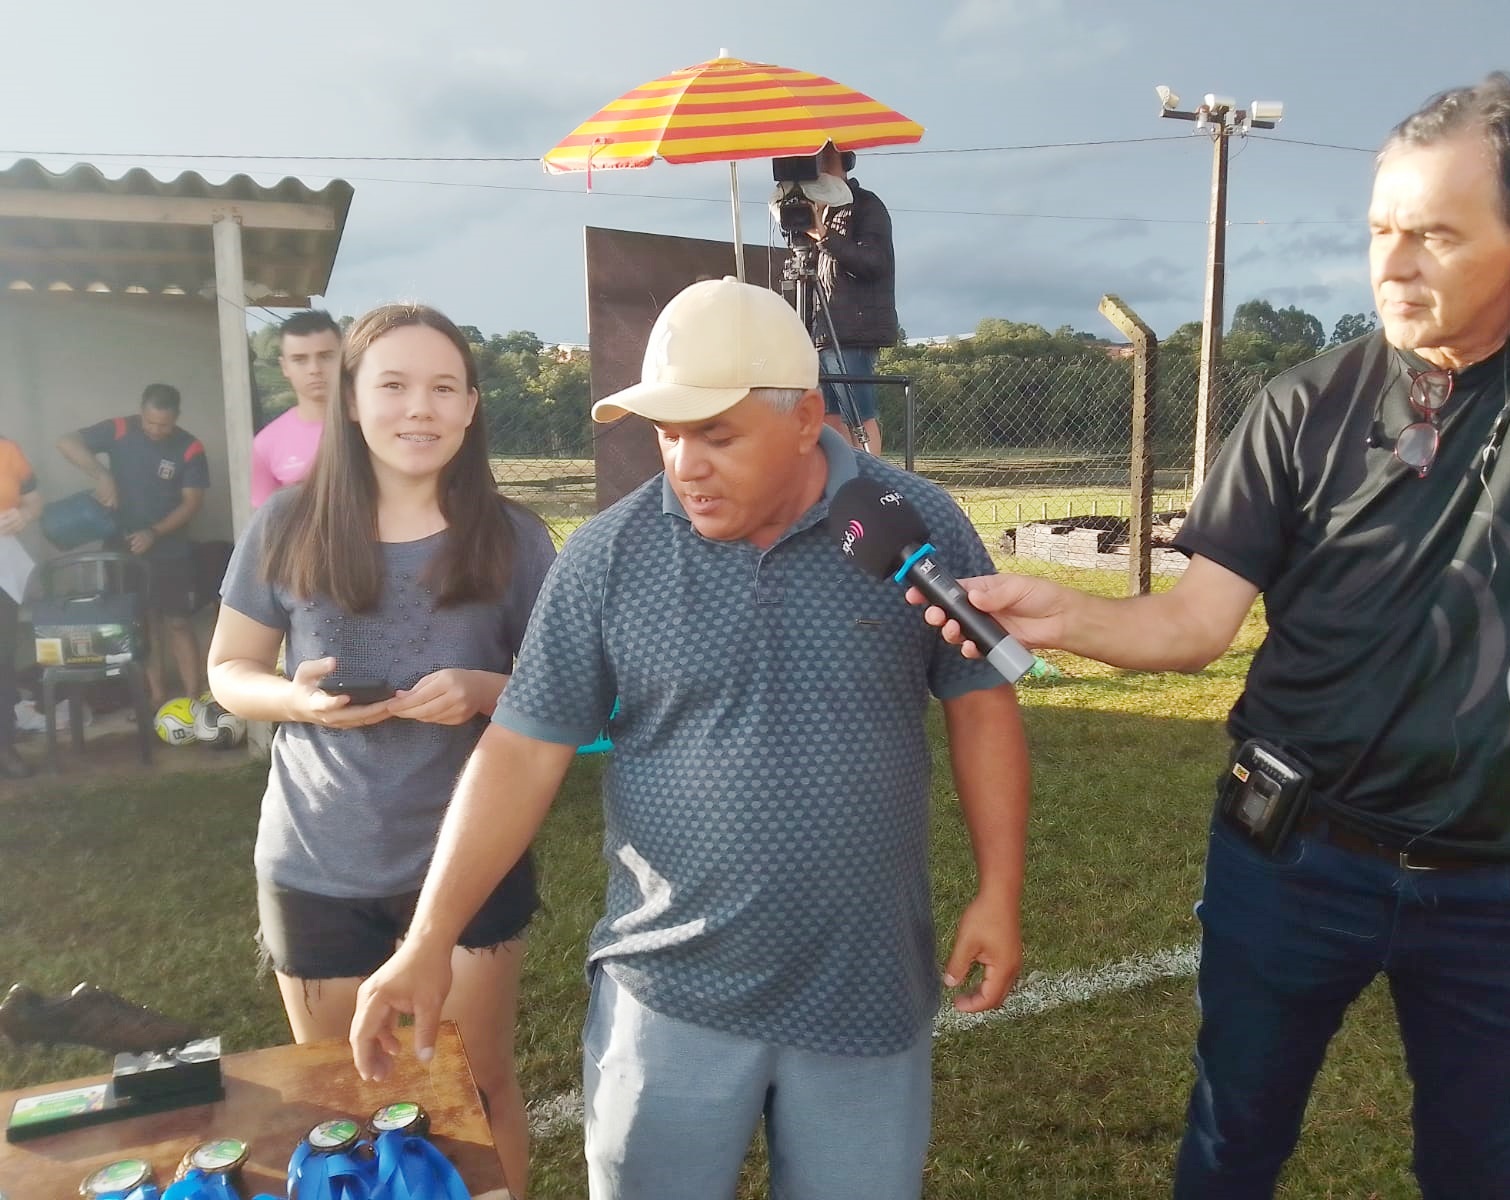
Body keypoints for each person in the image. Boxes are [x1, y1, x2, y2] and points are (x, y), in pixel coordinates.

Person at [919, 77, 1510, 1199]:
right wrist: (1068, 614)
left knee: (1486, 1170)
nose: (1393, 266)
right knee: (1232, 1145)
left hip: (1504, 886)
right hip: (1294, 859)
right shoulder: (1301, 404)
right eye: (1380, 229)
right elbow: (1197, 622)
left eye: (1436, 234)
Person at [349, 278, 1029, 1200]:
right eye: (666, 434)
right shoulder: (607, 556)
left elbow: (981, 703)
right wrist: (430, 938)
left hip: (867, 986)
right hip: (666, 996)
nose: (685, 465)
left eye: (716, 435)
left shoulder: (915, 524)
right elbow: (519, 750)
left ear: (806, 419)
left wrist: (999, 889)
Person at [207, 303, 555, 1198]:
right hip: (316, 863)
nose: (419, 408)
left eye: (443, 387)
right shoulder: (287, 524)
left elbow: (569, 694)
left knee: (473, 1090)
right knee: (348, 1103)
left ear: (471, 406)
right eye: (393, 385)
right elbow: (229, 670)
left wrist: (485, 690)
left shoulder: (514, 538)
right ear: (353, 400)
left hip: (468, 861)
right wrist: (295, 701)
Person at [57, 384, 208, 704]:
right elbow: (66, 441)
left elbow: (192, 502)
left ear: (176, 417)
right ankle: (157, 697)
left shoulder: (189, 447)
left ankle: (194, 699)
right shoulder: (120, 429)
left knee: (178, 622)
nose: (155, 430)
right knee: (142, 623)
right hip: (123, 546)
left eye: (164, 425)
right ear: (141, 412)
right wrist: (101, 475)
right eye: (150, 422)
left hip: (170, 548)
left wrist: (154, 532)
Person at [808, 141, 898, 456]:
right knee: (829, 418)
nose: (819, 164)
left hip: (852, 329)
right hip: (822, 329)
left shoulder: (865, 205)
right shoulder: (818, 207)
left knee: (858, 416)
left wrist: (826, 237)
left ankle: (867, 477)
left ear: (845, 160)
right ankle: (841, 475)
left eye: (825, 157)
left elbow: (874, 262)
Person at [251, 309, 341, 507]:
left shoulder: (376, 426)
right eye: (300, 360)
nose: (314, 369)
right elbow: (270, 521)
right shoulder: (264, 446)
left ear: (343, 357)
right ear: (284, 367)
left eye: (325, 356)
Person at [0, 435, 42, 780]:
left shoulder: (8, 450)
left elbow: (34, 500)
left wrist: (24, 514)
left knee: (2, 659)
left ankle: (4, 744)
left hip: (2, 568)